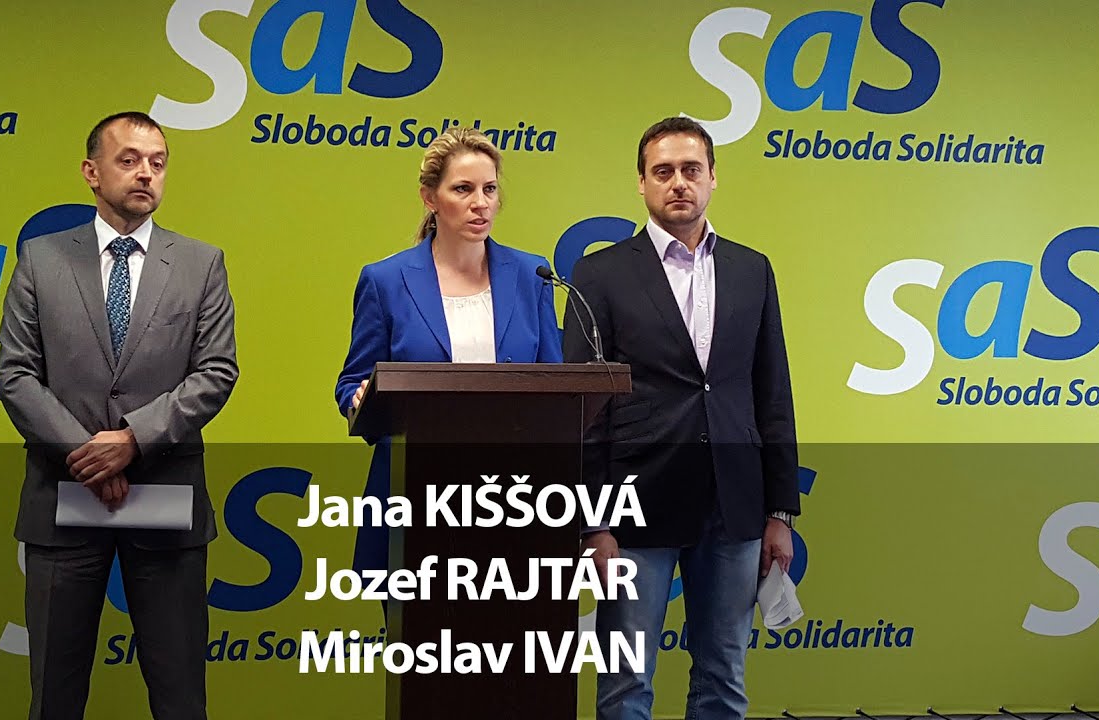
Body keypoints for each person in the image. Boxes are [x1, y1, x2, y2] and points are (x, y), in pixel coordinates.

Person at [0, 110, 238, 720]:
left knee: (180, 697)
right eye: (128, 160)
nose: (146, 173)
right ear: (91, 172)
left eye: (157, 163)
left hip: (165, 499)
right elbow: (16, 373)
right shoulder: (41, 260)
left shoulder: (201, 264)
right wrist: (88, 455)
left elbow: (216, 372)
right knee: (55, 697)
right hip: (65, 498)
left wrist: (132, 440)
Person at [563, 116, 799, 720]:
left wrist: (779, 512)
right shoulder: (599, 275)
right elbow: (584, 411)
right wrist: (592, 523)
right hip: (634, 510)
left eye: (691, 169)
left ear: (713, 177)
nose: (678, 183)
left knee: (724, 677)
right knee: (625, 684)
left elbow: (772, 392)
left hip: (734, 505)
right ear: (641, 183)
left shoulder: (752, 269)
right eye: (662, 171)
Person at [334, 126, 563, 588]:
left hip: (514, 499)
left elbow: (555, 385)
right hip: (415, 497)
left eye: (489, 189)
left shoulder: (531, 274)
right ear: (430, 198)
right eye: (463, 189)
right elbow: (352, 382)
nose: (481, 203)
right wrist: (359, 398)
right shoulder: (386, 280)